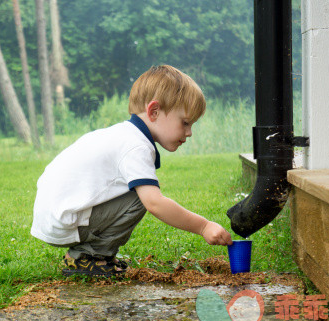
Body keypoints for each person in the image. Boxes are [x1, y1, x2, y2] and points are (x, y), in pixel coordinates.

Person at [31, 65, 233, 277]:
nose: (189, 133)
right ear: (154, 111)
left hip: (57, 215)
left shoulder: (123, 134)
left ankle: (86, 255)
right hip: (65, 220)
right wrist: (203, 226)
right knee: (142, 196)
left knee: (139, 192)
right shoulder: (136, 145)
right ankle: (88, 258)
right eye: (185, 123)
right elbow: (155, 203)